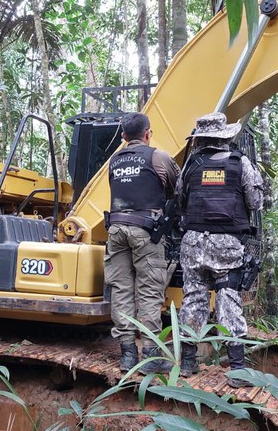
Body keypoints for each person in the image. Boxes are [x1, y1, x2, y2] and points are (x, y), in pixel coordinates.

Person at [176, 112, 264, 387]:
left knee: (192, 298)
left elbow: (181, 198)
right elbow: (256, 202)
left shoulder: (191, 164)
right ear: (225, 137)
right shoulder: (241, 164)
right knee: (228, 300)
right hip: (226, 244)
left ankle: (187, 363)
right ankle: (237, 369)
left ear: (201, 139)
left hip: (193, 242)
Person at [105, 112, 181, 372]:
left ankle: (127, 355)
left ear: (124, 136)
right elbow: (175, 189)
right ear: (148, 133)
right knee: (149, 290)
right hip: (145, 230)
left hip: (115, 231)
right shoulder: (157, 156)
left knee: (121, 289)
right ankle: (150, 353)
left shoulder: (115, 160)